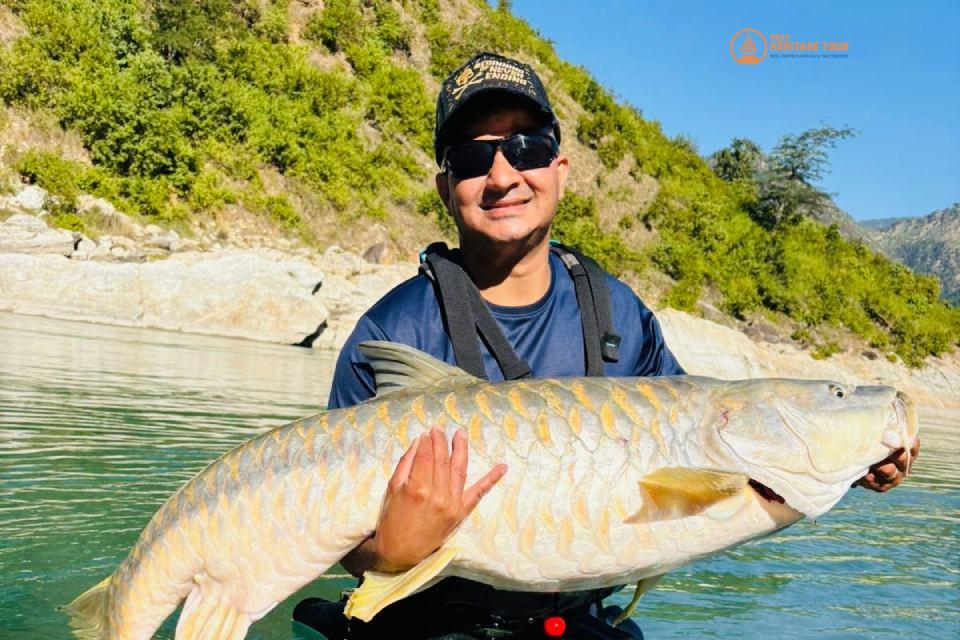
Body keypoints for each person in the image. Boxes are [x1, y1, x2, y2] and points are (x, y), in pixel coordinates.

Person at [294, 52, 919, 639]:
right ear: (444, 185)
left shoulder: (619, 312)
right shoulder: (392, 332)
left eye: (526, 148)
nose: (503, 175)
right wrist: (392, 551)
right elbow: (338, 539)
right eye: (472, 157)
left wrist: (857, 457)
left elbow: (699, 464)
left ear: (560, 171)